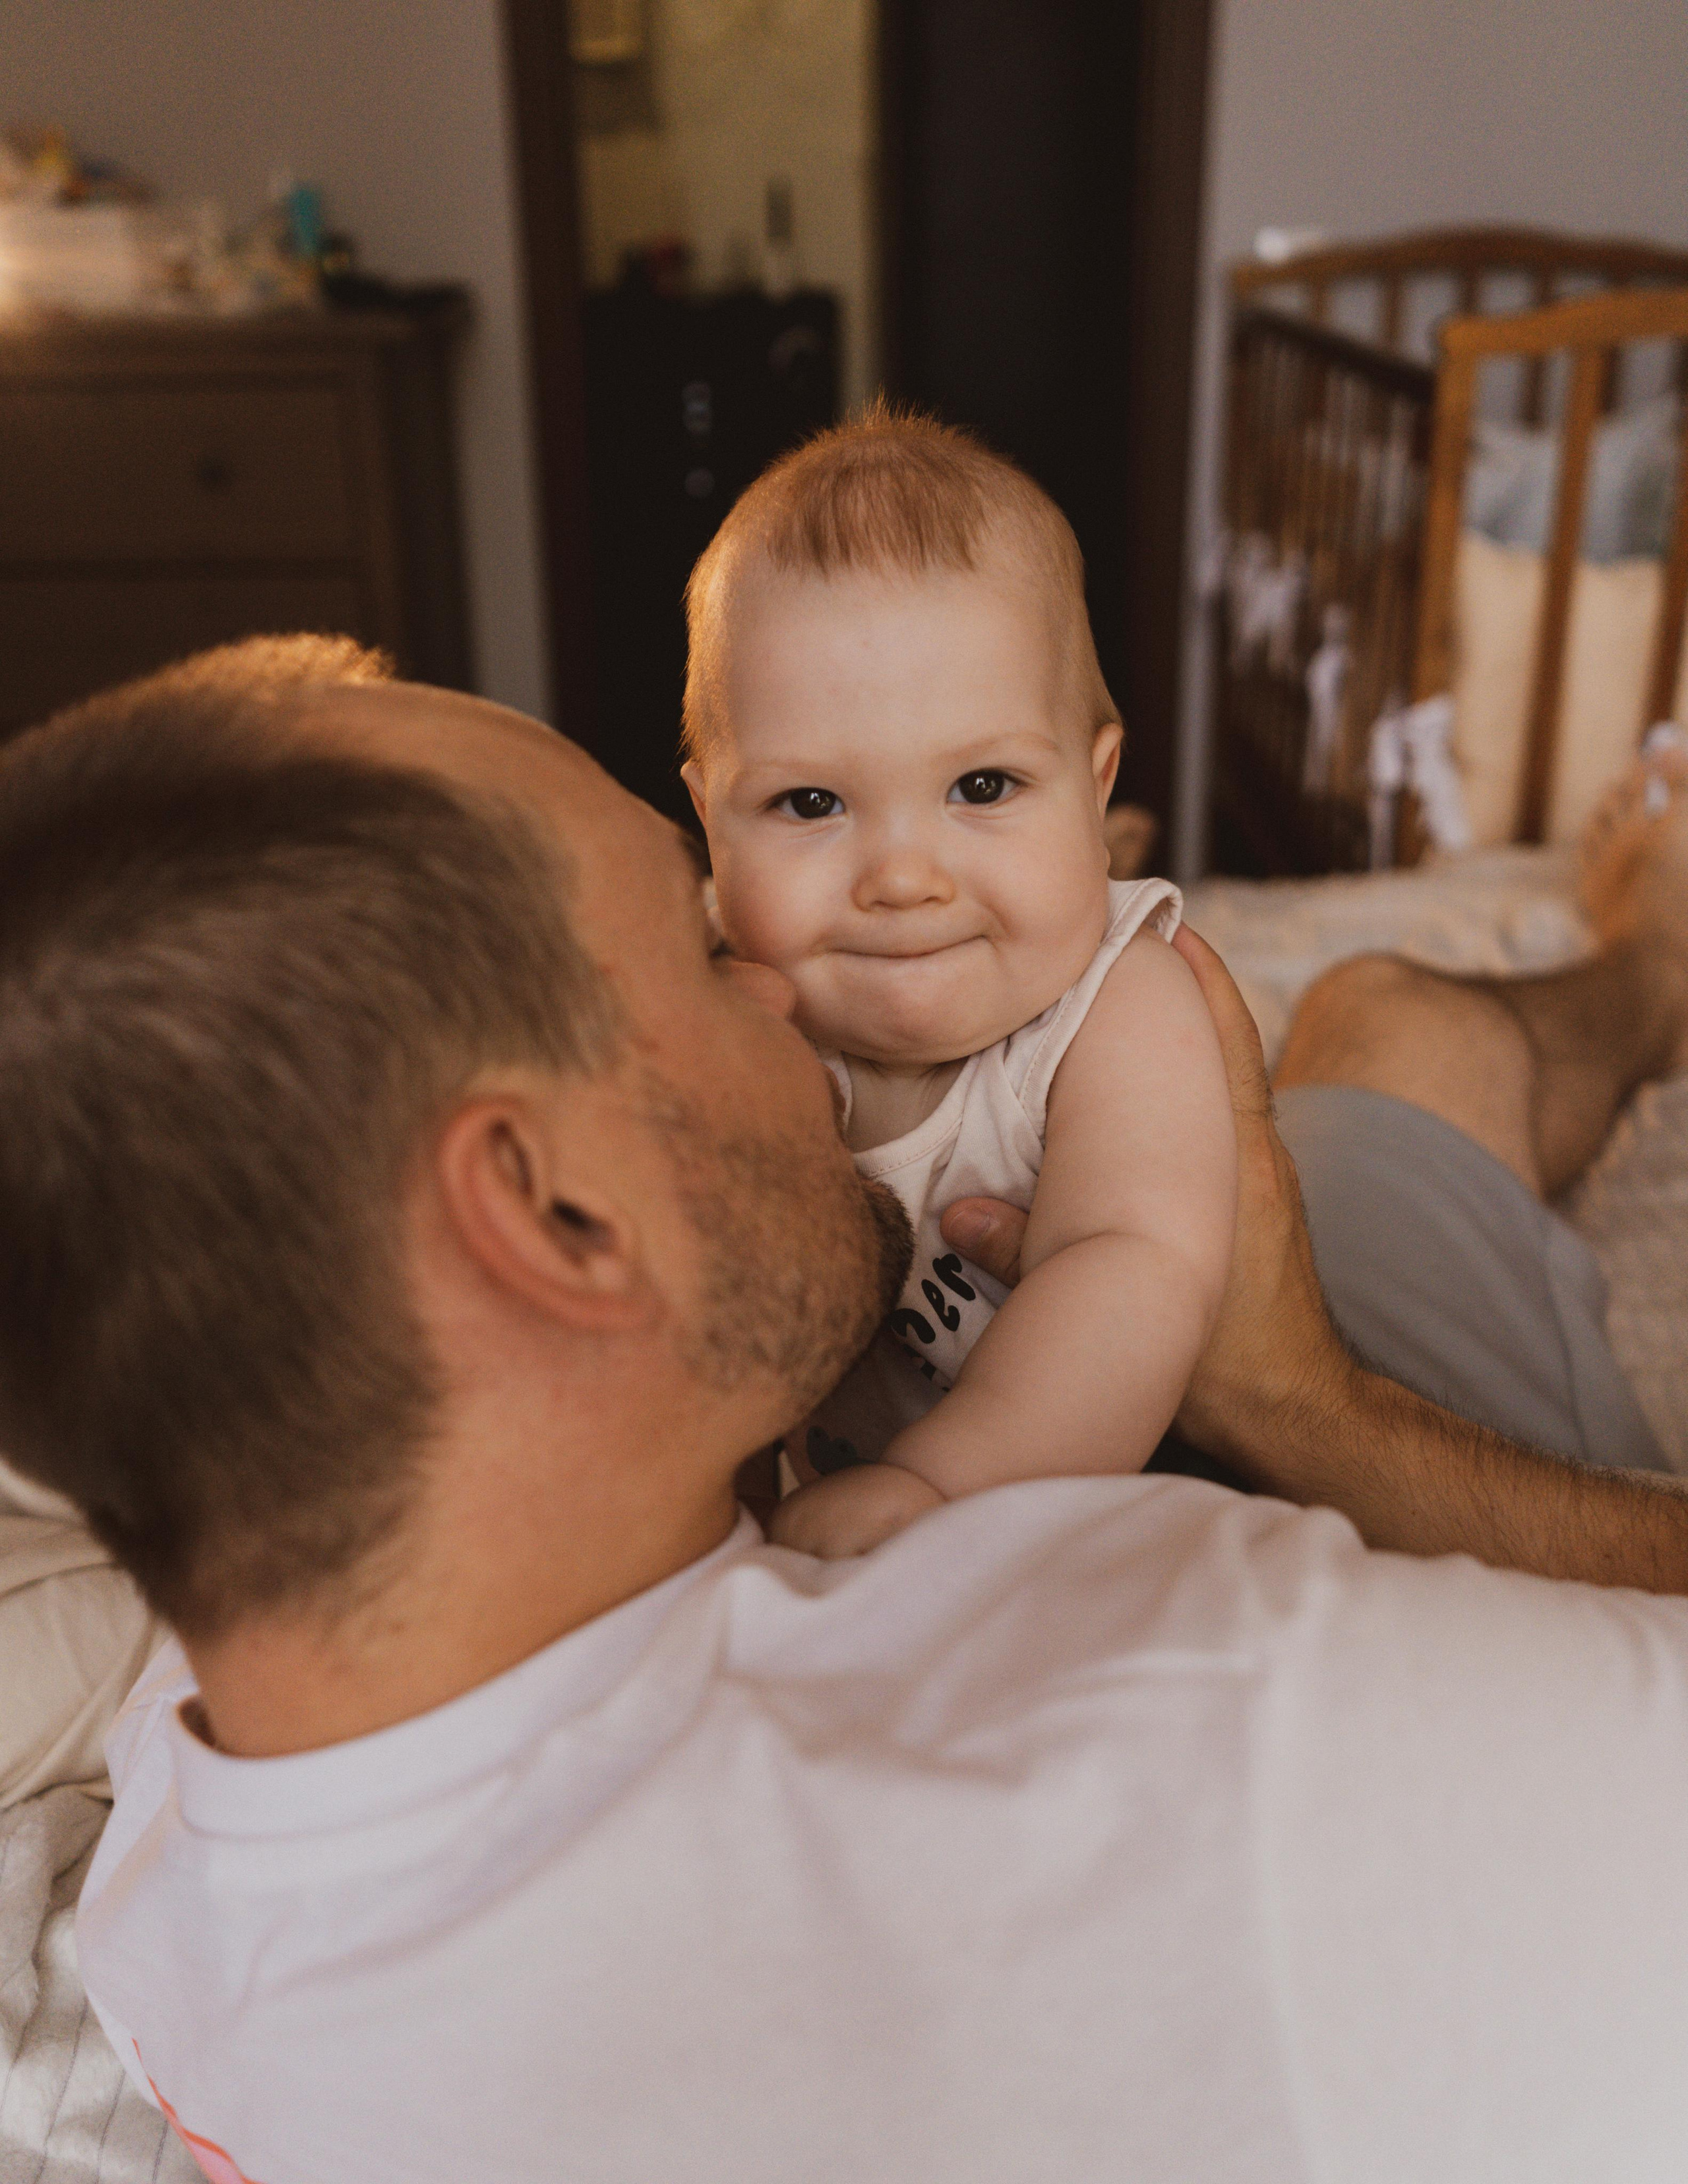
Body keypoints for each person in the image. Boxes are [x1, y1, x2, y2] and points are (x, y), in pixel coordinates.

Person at [1, 641, 1687, 2181]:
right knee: (1389, 1027)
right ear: (556, 1216)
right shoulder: (1202, 1723)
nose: (781, 985)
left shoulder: (186, 1834)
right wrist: (1309, 1409)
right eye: (691, 943)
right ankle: (1648, 954)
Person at [679, 407, 1234, 1554]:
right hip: (834, 1521)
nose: (901, 877)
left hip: (1100, 1532)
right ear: (706, 818)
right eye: (811, 804)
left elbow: (1130, 1269)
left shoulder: (1114, 1007)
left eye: (982, 787)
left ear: (1096, 780)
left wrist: (938, 1484)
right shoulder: (727, 995)